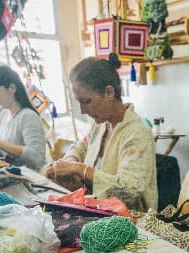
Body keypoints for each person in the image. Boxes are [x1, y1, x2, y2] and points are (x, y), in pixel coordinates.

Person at [44, 54, 157, 212]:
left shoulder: (137, 133)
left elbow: (129, 193)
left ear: (109, 92)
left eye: (86, 101)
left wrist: (81, 170)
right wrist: (67, 166)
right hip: (98, 214)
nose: (83, 110)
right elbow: (79, 148)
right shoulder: (100, 126)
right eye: (79, 102)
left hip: (130, 224)